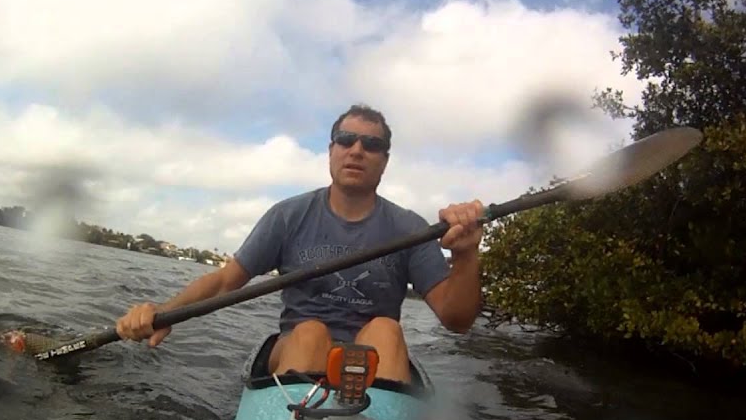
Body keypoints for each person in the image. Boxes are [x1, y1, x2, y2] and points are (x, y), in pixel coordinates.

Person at [114, 104, 485, 383]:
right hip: (297, 352)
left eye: (372, 145)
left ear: (384, 161)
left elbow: (457, 320)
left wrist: (465, 253)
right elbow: (227, 281)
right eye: (346, 140)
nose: (357, 150)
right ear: (331, 151)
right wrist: (165, 313)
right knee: (310, 333)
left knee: (386, 331)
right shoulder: (288, 215)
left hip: (373, 364)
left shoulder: (409, 227)